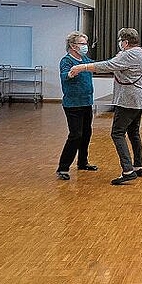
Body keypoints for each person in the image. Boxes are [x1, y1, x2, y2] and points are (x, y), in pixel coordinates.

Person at [68, 27, 142, 185]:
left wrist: (82, 67)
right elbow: (116, 63)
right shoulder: (140, 52)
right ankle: (138, 166)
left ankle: (127, 171)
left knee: (117, 133)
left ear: (125, 42)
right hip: (138, 100)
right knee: (133, 133)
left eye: (120, 41)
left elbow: (109, 65)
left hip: (128, 101)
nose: (119, 43)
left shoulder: (130, 54)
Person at [56, 31, 97, 180]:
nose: (85, 46)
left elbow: (96, 66)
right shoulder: (66, 61)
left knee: (86, 133)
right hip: (73, 104)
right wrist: (72, 73)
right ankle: (63, 168)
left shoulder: (85, 59)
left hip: (87, 101)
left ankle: (83, 162)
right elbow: (65, 76)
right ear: (73, 46)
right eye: (82, 44)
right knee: (75, 135)